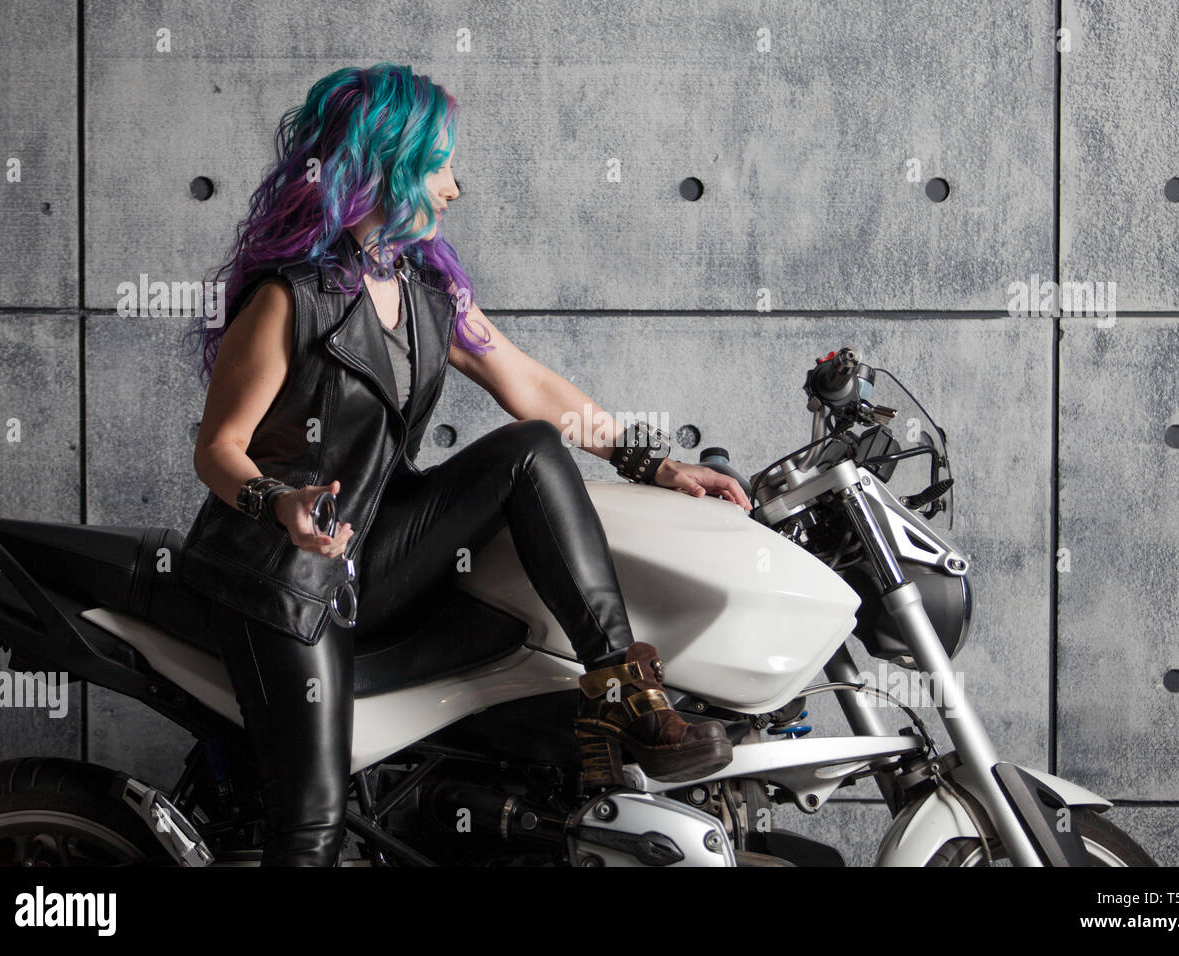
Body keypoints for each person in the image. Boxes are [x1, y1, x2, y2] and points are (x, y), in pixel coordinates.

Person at [181, 63, 752, 866]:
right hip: (282, 577)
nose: (454, 186)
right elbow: (216, 450)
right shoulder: (289, 299)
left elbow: (528, 386)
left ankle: (626, 694)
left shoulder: (426, 292)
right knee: (312, 827)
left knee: (530, 453)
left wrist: (654, 464)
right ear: (389, 163)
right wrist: (282, 505)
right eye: (439, 164)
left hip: (370, 552)